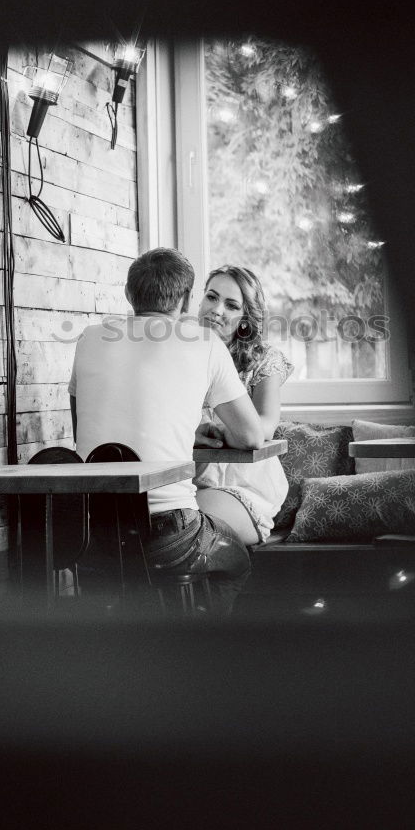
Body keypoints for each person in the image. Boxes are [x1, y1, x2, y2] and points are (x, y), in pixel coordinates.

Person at [68, 247, 263, 607]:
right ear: (187, 300)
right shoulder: (205, 343)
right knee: (237, 564)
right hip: (168, 532)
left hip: (92, 531)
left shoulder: (88, 339)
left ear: (129, 294)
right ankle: (198, 648)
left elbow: (85, 429)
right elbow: (252, 436)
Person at [194, 265, 294, 544]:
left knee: (182, 523)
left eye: (231, 305)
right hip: (189, 480)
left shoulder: (264, 360)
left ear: (245, 319)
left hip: (246, 487)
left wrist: (222, 433)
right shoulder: (178, 351)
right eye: (211, 297)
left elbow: (265, 427)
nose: (217, 310)